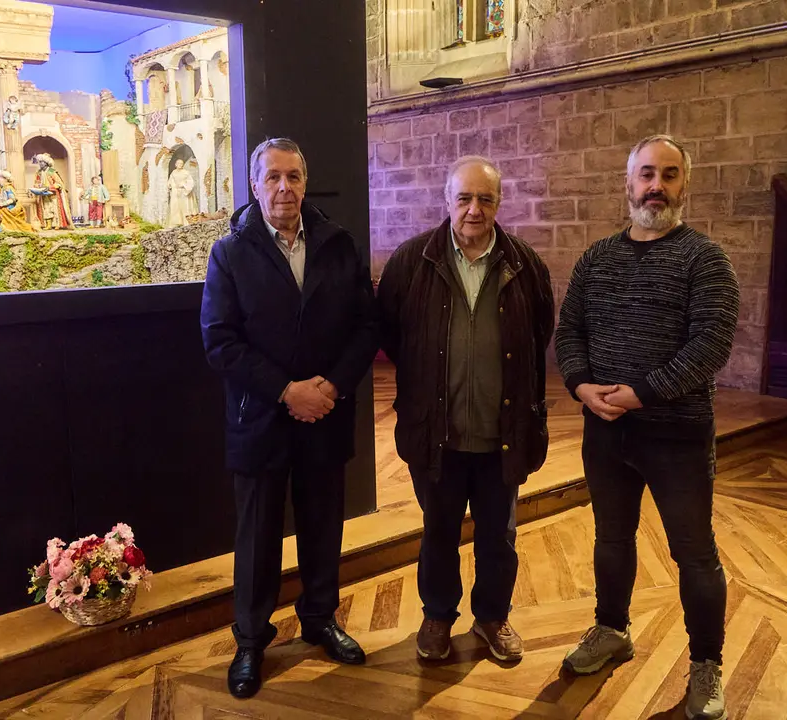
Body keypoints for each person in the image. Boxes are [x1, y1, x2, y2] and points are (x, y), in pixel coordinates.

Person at [554, 134, 739, 720]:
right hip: (606, 430)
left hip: (677, 435)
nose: (656, 185)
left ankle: (706, 665)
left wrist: (643, 393)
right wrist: (581, 385)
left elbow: (710, 344)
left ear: (685, 184)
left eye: (669, 175)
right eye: (646, 174)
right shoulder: (597, 258)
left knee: (694, 553)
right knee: (611, 539)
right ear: (628, 183)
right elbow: (569, 330)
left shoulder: (705, 259)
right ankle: (611, 630)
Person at [200, 138, 377, 699]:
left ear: (306, 182)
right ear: (255, 184)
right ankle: (251, 641)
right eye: (272, 177)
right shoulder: (230, 253)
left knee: (324, 526)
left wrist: (331, 386)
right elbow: (220, 341)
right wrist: (285, 391)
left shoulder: (338, 244)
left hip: (324, 413)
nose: (284, 188)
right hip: (261, 418)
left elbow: (365, 326)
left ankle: (320, 619)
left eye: (293, 177)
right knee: (257, 538)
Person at [377, 156, 554, 664]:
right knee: (439, 532)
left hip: (503, 432)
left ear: (499, 203)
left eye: (485, 199)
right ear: (447, 200)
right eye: (464, 198)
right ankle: (437, 615)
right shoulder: (411, 262)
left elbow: (540, 331)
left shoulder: (526, 265)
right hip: (438, 431)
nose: (474, 209)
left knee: (499, 536)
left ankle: (493, 617)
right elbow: (391, 333)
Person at [30, 153, 71, 230]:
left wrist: (50, 187)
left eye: (42, 162)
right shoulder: (39, 172)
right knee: (46, 209)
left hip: (53, 194)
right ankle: (48, 225)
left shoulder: (51, 171)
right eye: (39, 162)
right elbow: (37, 182)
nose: (40, 164)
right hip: (43, 194)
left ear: (46, 163)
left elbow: (59, 183)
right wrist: (37, 187)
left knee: (55, 209)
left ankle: (58, 224)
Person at [167, 158, 198, 226]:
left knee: (185, 207)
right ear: (176, 164)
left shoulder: (186, 172)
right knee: (176, 208)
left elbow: (191, 182)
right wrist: (171, 185)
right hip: (176, 193)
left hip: (184, 192)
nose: (180, 165)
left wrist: (183, 185)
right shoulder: (173, 172)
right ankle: (177, 222)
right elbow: (170, 181)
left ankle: (186, 222)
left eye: (181, 163)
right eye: (178, 163)